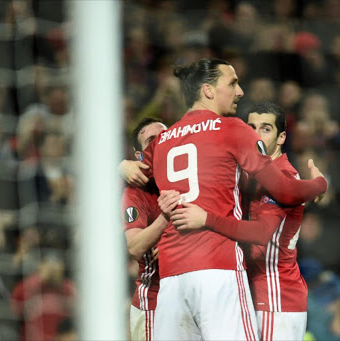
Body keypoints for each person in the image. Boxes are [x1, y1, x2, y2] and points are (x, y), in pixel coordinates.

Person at [126, 58, 327, 340]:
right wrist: (319, 183)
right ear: (208, 90)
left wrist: (120, 166)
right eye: (232, 83)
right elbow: (284, 191)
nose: (240, 91)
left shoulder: (164, 139)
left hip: (171, 277)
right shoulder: (232, 129)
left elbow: (135, 171)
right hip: (217, 268)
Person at [158, 102, 312, 340]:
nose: (256, 135)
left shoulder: (281, 176)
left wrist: (206, 222)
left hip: (275, 296)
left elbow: (261, 233)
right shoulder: (250, 173)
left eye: (266, 129)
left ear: (282, 137)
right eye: (251, 127)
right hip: (253, 292)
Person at [120, 117, 169, 341]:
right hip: (154, 303)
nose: (160, 143)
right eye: (151, 140)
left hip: (192, 299)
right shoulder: (135, 193)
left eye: (164, 136)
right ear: (139, 155)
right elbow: (135, 247)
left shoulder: (191, 177)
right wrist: (167, 216)